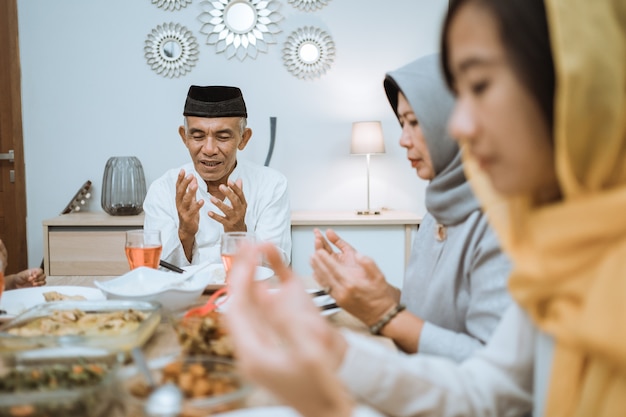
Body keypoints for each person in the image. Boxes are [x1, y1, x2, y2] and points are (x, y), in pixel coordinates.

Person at [223, 0, 626, 416]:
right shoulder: (546, 233)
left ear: (575, 78)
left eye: (481, 85)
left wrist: (376, 324)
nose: (458, 126)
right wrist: (332, 346)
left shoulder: (515, 225)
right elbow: (490, 392)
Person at [310, 54, 511, 360]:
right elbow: (425, 315)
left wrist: (383, 313)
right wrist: (372, 289)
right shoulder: (436, 209)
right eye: (402, 122)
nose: (403, 139)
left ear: (456, 121)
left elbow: (489, 365)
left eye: (416, 122)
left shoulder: (501, 222)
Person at [143, 86, 291, 267]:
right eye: (198, 136)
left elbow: (278, 266)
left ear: (243, 138)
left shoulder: (272, 185)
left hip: (248, 293)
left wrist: (239, 234)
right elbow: (155, 268)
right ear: (185, 137)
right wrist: (185, 234)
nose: (209, 149)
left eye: (222, 137)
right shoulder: (163, 189)